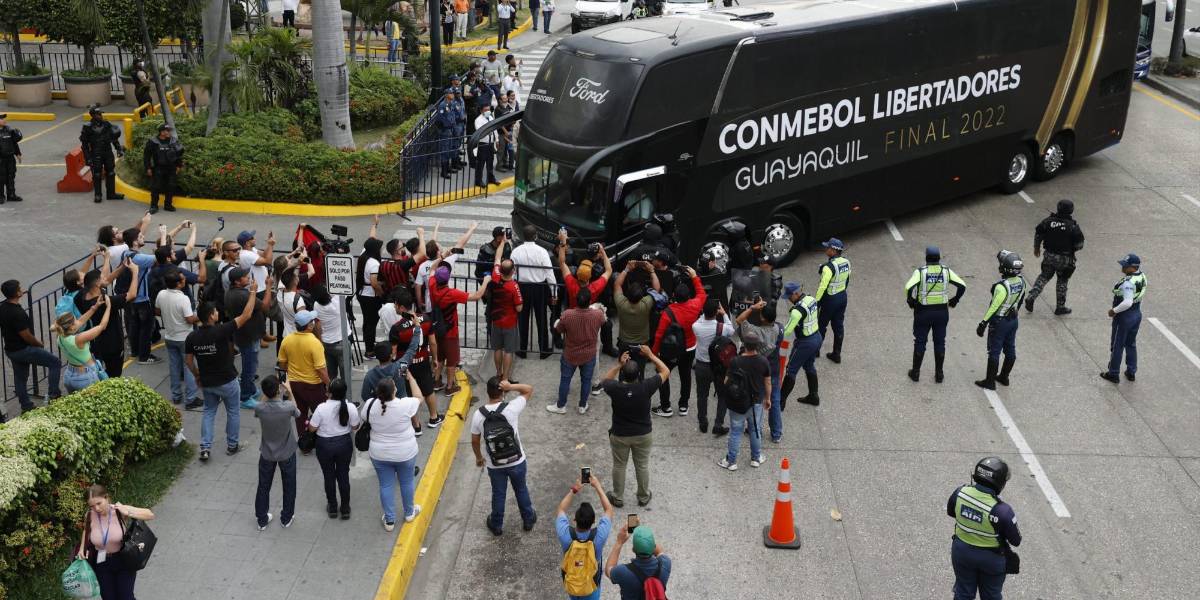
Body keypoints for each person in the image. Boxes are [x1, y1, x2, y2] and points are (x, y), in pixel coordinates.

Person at [186, 281, 259, 462]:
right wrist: (253, 292)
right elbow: (247, 314)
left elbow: (188, 360)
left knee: (209, 412)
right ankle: (232, 445)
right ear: (211, 316)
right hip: (227, 380)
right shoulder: (221, 331)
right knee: (233, 411)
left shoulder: (192, 337)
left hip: (208, 382)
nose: (218, 313)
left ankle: (205, 447)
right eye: (216, 312)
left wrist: (197, 375)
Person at [601, 346, 668, 508]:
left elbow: (605, 380)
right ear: (639, 374)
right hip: (643, 434)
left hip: (620, 434)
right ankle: (643, 496)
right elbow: (665, 371)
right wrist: (651, 355)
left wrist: (619, 364)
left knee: (619, 465)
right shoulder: (646, 387)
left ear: (623, 374)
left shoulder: (616, 388)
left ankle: (617, 497)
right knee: (642, 465)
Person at [947, 457, 1021, 600]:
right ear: (999, 483)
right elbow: (1016, 540)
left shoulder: (959, 493)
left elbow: (951, 512)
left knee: (963, 592)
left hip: (961, 553)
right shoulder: (1002, 511)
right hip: (991, 559)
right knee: (991, 595)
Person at [471, 377, 536, 535]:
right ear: (503, 392)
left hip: (495, 464)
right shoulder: (511, 408)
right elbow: (529, 389)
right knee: (521, 489)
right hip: (517, 460)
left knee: (498, 493)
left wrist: (479, 458)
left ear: (487, 392)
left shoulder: (478, 415)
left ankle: (497, 524)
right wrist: (511, 386)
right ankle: (528, 520)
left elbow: (474, 440)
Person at [361, 376, 424, 531]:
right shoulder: (405, 405)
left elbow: (362, 418)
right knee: (406, 482)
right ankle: (409, 513)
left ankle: (389, 520)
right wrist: (411, 379)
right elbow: (419, 397)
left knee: (386, 485)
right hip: (406, 453)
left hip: (379, 454)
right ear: (394, 391)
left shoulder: (370, 405)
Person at [77, 484, 154, 600]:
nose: (96, 509)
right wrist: (82, 548)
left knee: (126, 597)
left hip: (124, 559)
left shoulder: (118, 510)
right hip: (101, 562)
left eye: (99, 503)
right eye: (92, 506)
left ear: (106, 498)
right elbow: (86, 530)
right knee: (108, 597)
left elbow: (150, 514)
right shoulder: (89, 516)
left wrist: (128, 513)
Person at [904, 246, 966, 383]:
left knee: (920, 341)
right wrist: (955, 300)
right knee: (940, 342)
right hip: (942, 312)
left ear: (926, 258)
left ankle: (915, 372)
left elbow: (908, 287)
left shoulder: (920, 272)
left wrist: (910, 300)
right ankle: (939, 374)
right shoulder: (946, 271)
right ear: (939, 258)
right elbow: (962, 285)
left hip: (923, 312)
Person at [428, 254, 490, 394]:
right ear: (447, 279)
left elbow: (432, 268)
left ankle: (437, 381)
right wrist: (486, 281)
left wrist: (441, 256)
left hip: (436, 328)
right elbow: (477, 296)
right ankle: (450, 387)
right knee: (451, 360)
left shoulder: (431, 285)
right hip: (450, 331)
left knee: (440, 356)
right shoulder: (451, 293)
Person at [650, 265, 705, 418]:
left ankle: (666, 407)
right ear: (688, 296)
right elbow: (702, 293)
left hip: (671, 351)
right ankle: (683, 405)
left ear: (674, 295)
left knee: (662, 374)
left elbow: (659, 335)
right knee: (685, 375)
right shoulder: (696, 305)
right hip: (689, 348)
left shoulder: (668, 313)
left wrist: (654, 354)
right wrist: (694, 276)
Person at [1, 280, 62, 417]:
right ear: (16, 293)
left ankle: (26, 406)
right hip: (24, 350)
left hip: (11, 350)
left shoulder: (3, 307)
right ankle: (54, 394)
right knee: (55, 362)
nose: (22, 289)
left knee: (20, 378)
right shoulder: (18, 314)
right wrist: (38, 344)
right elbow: (26, 335)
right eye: (20, 288)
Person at [387, 287, 441, 431]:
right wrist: (435, 359)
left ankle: (416, 426)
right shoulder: (426, 319)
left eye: (395, 304)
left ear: (401, 307)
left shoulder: (397, 328)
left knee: (408, 394)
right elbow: (433, 342)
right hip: (423, 360)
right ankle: (434, 417)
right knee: (428, 389)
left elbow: (393, 353)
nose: (394, 307)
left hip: (404, 365)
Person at [716, 331, 770, 471]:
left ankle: (731, 461)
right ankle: (756, 458)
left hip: (738, 403)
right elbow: (768, 382)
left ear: (744, 345)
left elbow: (726, 381)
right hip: (756, 402)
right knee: (755, 429)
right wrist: (768, 398)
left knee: (735, 431)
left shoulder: (735, 361)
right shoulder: (763, 361)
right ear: (757, 345)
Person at [75, 260, 137, 382]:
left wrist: (122, 267)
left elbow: (106, 280)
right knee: (114, 375)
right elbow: (132, 294)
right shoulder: (106, 301)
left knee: (99, 370)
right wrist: (135, 272)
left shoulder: (81, 296)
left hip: (96, 341)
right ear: (97, 283)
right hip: (113, 344)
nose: (106, 278)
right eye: (102, 277)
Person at [555, 474, 615, 600]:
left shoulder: (565, 535)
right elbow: (609, 510)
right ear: (593, 522)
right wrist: (597, 486)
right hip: (591, 587)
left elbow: (561, 509)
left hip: (572, 585)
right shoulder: (599, 536)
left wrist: (574, 489)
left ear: (574, 520)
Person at [974, 251, 1026, 390]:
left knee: (994, 351)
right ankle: (1004, 377)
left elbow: (994, 306)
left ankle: (990, 382)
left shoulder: (1001, 286)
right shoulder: (1022, 281)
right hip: (1013, 321)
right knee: (1010, 348)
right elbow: (1021, 299)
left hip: (1000, 322)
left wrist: (983, 323)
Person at [310, 378, 361, 519]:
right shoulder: (350, 407)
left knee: (329, 476)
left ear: (329, 393)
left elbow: (312, 428)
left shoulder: (321, 408)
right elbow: (355, 427)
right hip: (344, 444)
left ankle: (332, 507)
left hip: (324, 445)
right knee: (343, 475)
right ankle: (345, 508)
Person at [549, 288, 606, 414]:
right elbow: (603, 322)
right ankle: (582, 405)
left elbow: (558, 329)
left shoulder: (568, 315)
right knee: (586, 381)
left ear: (576, 300)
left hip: (570, 354)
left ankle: (561, 406)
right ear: (590, 301)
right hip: (589, 354)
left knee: (565, 380)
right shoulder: (597, 315)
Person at [254, 375, 299, 530]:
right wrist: (290, 391)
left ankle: (262, 519)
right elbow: (297, 412)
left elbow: (260, 404)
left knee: (263, 486)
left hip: (267, 453)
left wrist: (267, 393)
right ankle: (286, 518)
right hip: (287, 452)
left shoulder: (260, 408)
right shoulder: (287, 407)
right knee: (289, 485)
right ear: (279, 389)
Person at [225, 268, 275, 408]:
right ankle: (245, 397)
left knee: (251, 364)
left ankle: (250, 389)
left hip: (244, 335)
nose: (249, 278)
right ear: (237, 281)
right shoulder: (243, 295)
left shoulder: (231, 292)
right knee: (250, 368)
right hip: (249, 336)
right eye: (245, 277)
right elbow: (265, 306)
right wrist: (268, 286)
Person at [1025, 199, 1085, 315]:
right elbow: (1080, 245)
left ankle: (1031, 296)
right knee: (1062, 281)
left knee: (1044, 277)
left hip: (1049, 256)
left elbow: (1038, 234)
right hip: (1065, 259)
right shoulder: (1073, 227)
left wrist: (1036, 248)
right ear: (1071, 211)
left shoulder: (1048, 221)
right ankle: (1060, 307)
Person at [277, 310, 331, 438]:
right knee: (321, 413)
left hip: (295, 384)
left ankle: (304, 443)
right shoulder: (315, 343)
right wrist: (329, 384)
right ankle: (321, 439)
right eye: (312, 321)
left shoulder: (287, 340)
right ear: (309, 325)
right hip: (313, 386)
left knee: (300, 415)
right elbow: (320, 369)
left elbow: (282, 364)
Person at [737, 301, 784, 441]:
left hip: (758, 371)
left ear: (762, 318)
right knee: (774, 400)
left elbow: (739, 320)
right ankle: (776, 434)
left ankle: (755, 429)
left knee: (757, 401)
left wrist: (753, 308)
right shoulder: (779, 328)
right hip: (774, 368)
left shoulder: (755, 332)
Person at [156, 269, 200, 404]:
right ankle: (191, 398)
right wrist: (199, 315)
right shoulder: (183, 298)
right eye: (183, 279)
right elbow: (189, 319)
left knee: (174, 367)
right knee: (189, 367)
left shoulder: (161, 294)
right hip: (184, 338)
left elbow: (157, 311)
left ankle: (176, 396)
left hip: (170, 336)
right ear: (179, 284)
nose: (185, 280)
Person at [1101, 253, 1146, 384]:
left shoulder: (1128, 283)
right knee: (1131, 343)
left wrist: (1113, 311)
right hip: (1137, 314)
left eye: (1125, 266)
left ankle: (1113, 373)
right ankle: (1131, 371)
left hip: (1125, 316)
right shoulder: (1142, 276)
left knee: (1117, 345)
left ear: (1132, 267)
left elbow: (1127, 302)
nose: (1122, 268)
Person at [52, 299, 111, 393]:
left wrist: (94, 308)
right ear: (71, 327)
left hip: (69, 375)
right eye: (75, 321)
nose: (77, 322)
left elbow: (80, 321)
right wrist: (108, 307)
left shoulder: (60, 336)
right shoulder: (79, 339)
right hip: (84, 378)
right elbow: (102, 326)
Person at [513, 224, 554, 359]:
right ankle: (543, 350)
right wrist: (554, 292)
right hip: (539, 287)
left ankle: (522, 349)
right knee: (541, 318)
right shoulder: (542, 252)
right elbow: (549, 273)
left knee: (523, 318)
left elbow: (512, 273)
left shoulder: (516, 251)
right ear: (535, 236)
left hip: (522, 286)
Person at [691, 298, 732, 434]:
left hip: (702, 366)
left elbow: (700, 319)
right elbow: (731, 330)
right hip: (718, 368)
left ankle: (703, 421)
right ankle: (718, 424)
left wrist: (707, 312)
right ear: (716, 312)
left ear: (703, 311)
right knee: (722, 395)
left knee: (702, 395)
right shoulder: (722, 328)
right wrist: (724, 313)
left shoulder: (696, 326)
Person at [779, 282, 822, 407]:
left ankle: (780, 402)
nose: (789, 299)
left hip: (805, 343)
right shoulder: (811, 299)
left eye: (789, 296)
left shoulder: (797, 311)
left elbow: (787, 331)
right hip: (817, 337)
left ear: (796, 293)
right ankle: (814, 396)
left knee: (791, 370)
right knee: (809, 366)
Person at [612, 261, 657, 379]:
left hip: (624, 343)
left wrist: (626, 269)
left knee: (623, 368)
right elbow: (656, 290)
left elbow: (617, 285)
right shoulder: (645, 304)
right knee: (640, 370)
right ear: (641, 296)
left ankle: (622, 389)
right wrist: (651, 271)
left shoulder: (621, 303)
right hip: (642, 344)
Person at [605, 526, 671, 599]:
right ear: (653, 547)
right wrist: (647, 541)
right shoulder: (665, 563)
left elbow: (608, 569)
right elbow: (659, 551)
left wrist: (619, 542)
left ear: (633, 550)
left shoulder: (622, 572)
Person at [814, 237, 850, 363]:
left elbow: (822, 286)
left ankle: (815, 352)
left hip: (830, 300)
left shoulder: (828, 267)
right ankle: (836, 354)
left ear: (834, 251)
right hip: (842, 297)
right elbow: (846, 280)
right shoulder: (846, 262)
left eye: (828, 247)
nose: (826, 249)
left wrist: (817, 302)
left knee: (821, 326)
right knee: (838, 326)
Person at [489, 252, 524, 382]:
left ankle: (498, 373)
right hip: (509, 323)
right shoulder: (514, 287)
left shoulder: (495, 277)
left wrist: (502, 243)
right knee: (508, 351)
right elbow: (519, 308)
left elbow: (497, 258)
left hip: (496, 321)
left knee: (497, 348)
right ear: (513, 271)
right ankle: (505, 378)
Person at [79, 105, 125, 203]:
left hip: (107, 151)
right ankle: (98, 195)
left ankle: (111, 193)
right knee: (97, 174)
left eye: (100, 113)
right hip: (96, 153)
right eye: (98, 114)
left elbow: (114, 138)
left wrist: (118, 149)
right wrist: (87, 158)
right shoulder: (87, 127)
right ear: (93, 115)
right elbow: (84, 145)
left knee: (111, 172)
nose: (100, 115)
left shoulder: (106, 124)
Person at [357, 218, 386, 359]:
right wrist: (381, 294)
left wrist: (375, 224)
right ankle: (369, 351)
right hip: (370, 297)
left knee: (367, 321)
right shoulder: (374, 263)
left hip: (362, 294)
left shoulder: (364, 254)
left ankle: (369, 346)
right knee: (371, 324)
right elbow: (374, 284)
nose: (380, 248)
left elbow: (371, 238)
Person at [142, 123, 183, 214]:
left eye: (169, 131)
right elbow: (146, 156)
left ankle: (168, 205)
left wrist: (179, 166)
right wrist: (148, 168)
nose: (169, 132)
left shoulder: (173, 141)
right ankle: (153, 206)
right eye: (167, 131)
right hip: (158, 168)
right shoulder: (153, 142)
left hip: (171, 168)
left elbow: (178, 154)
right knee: (156, 187)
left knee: (171, 186)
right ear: (161, 132)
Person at [311, 285, 345, 381]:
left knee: (330, 374)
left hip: (326, 343)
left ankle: (331, 391)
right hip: (341, 342)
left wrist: (320, 340)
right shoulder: (337, 302)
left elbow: (317, 325)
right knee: (345, 374)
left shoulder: (316, 305)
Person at [473, 103, 500, 189]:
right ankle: (478, 181)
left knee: (490, 162)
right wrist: (489, 131)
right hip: (483, 144)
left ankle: (491, 178)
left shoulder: (491, 117)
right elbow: (480, 132)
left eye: (489, 109)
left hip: (490, 143)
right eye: (485, 110)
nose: (487, 111)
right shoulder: (478, 120)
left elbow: (495, 129)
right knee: (481, 164)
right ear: (481, 111)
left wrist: (497, 140)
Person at [0, 113, 23, 203]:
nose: (4, 120)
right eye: (2, 119)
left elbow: (14, 143)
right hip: (1, 159)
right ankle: (1, 196)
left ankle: (11, 195)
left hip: (10, 158)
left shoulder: (9, 130)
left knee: (11, 176)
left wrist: (18, 154)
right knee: (1, 178)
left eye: (4, 118)